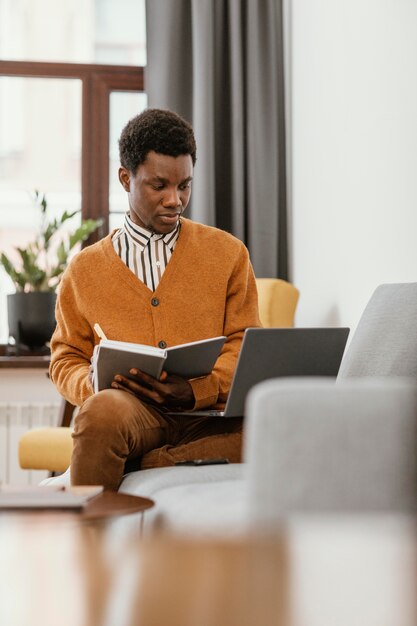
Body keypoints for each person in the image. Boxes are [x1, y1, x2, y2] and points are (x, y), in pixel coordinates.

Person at [50, 108, 261, 491]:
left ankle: (150, 464)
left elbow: (244, 343)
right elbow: (66, 357)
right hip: (131, 412)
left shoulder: (228, 253)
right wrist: (94, 385)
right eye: (159, 185)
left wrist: (197, 390)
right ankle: (88, 542)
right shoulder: (84, 270)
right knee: (101, 414)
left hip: (209, 415)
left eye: (185, 186)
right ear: (126, 178)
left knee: (281, 422)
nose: (175, 200)